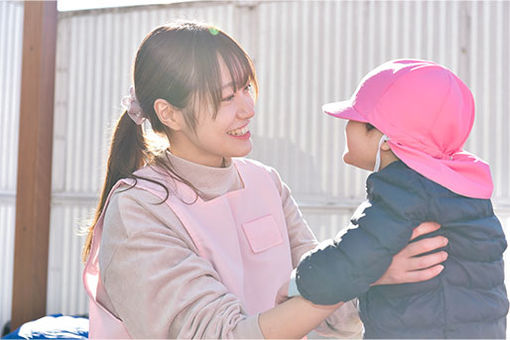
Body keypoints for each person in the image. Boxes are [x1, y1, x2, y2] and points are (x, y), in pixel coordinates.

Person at [81, 23, 448, 339]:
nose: (248, 108)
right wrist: (362, 271)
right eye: (227, 96)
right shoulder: (140, 208)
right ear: (169, 113)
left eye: (246, 88)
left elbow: (330, 311)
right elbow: (219, 334)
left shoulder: (265, 182)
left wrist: (378, 273)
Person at [281, 59, 509, 338]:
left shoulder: (405, 188)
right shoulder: (461, 191)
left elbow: (354, 259)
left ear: (385, 138)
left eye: (355, 119)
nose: (347, 127)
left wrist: (299, 282)